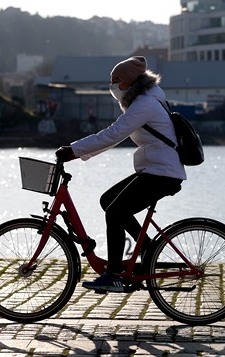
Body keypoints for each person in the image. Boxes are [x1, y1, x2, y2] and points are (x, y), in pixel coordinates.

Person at [55, 56, 186, 292]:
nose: (113, 86)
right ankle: (147, 249)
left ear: (128, 82)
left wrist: (74, 150)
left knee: (116, 212)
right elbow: (114, 137)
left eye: (116, 81)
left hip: (161, 172)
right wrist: (77, 154)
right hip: (156, 169)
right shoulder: (146, 100)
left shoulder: (144, 104)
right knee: (108, 201)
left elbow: (112, 134)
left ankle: (114, 273)